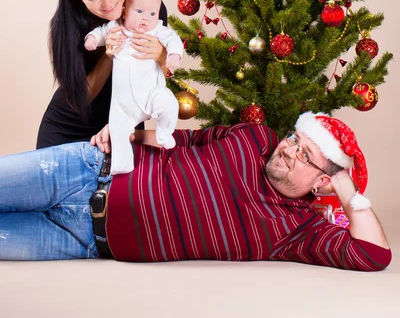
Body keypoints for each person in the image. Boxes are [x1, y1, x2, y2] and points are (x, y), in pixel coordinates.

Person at [0, 112, 391, 270]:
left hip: (83, 240)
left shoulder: (297, 230)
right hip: (84, 170)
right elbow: (184, 138)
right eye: (293, 138)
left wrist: (344, 183)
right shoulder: (255, 136)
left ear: (323, 179)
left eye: (303, 153)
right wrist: (128, 134)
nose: (287, 149)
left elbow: (373, 255)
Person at [33, 0, 168, 149]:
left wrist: (161, 56)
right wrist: (109, 55)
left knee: (125, 183)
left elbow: (153, 81)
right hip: (65, 130)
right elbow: (80, 99)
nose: (107, 2)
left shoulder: (149, 7)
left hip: (120, 125)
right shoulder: (68, 25)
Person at [85, 0, 183, 174]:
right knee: (118, 132)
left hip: (151, 95)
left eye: (152, 14)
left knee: (170, 103)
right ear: (124, 11)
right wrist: (92, 39)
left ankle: (164, 133)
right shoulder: (116, 28)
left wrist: (173, 55)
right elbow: (101, 32)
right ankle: (122, 166)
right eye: (139, 11)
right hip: (123, 104)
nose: (145, 19)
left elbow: (174, 39)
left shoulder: (157, 31)